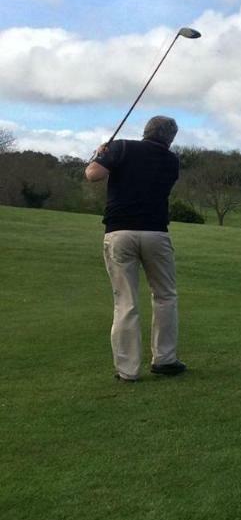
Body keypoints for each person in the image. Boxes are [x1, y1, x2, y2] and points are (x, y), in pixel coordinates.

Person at [85, 116, 187, 381]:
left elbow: (92, 175)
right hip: (156, 233)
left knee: (126, 302)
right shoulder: (172, 161)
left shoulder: (121, 147)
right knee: (165, 296)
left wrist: (99, 154)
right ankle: (165, 360)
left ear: (145, 131)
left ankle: (128, 370)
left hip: (120, 232)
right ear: (171, 138)